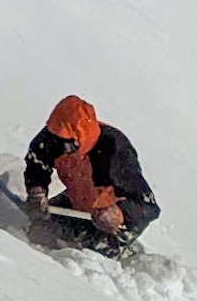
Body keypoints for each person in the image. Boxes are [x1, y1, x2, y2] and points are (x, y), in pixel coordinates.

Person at [23, 96, 160, 255]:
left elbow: (148, 206)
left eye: (67, 144)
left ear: (82, 137)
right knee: (38, 231)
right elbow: (37, 161)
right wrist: (36, 190)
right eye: (56, 141)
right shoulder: (52, 139)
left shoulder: (114, 152)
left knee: (83, 258)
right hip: (77, 204)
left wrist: (119, 214)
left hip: (111, 225)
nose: (61, 149)